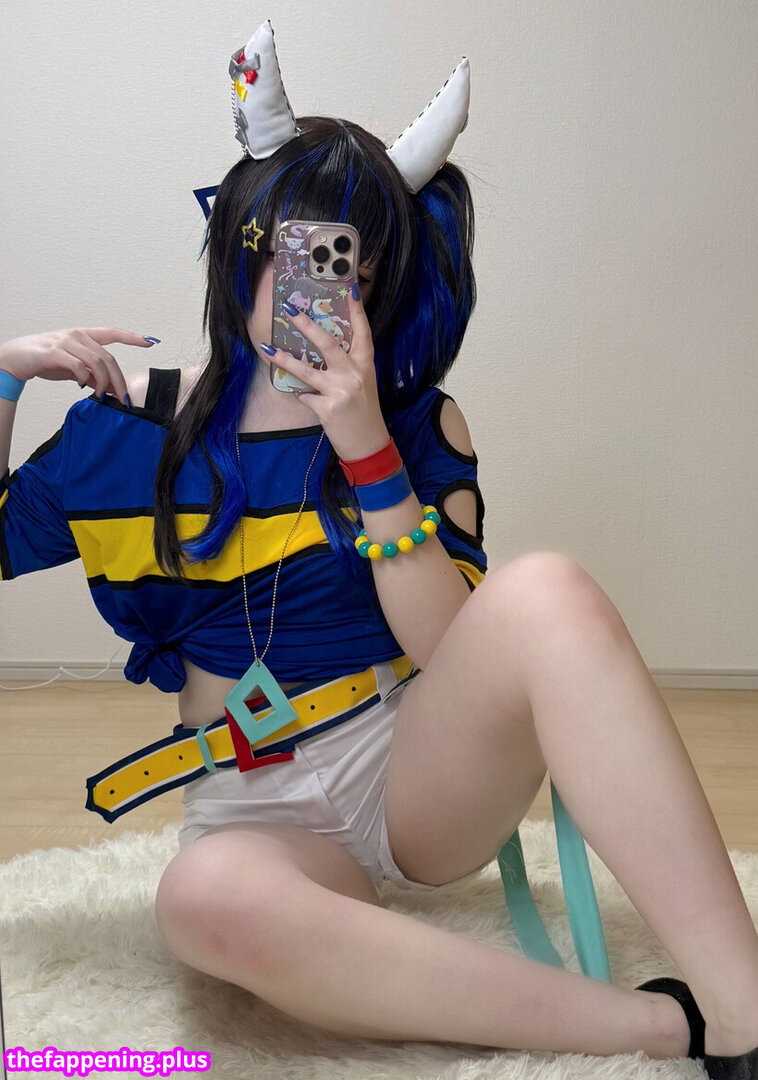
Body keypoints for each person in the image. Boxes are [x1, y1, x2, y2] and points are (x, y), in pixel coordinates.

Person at [1, 19, 756, 1078]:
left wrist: (366, 450)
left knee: (547, 590)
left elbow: (455, 650)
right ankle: (660, 1028)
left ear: (378, 276)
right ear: (239, 252)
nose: (314, 289)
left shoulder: (416, 426)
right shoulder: (124, 435)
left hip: (412, 775)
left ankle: (747, 1011)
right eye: (289, 252)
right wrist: (6, 372)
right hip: (253, 806)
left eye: (342, 262)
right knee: (202, 900)